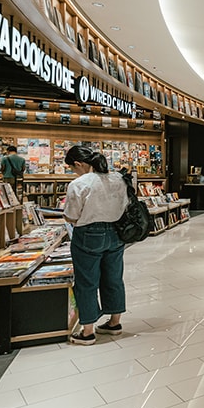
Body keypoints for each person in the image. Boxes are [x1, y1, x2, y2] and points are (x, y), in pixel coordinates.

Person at [62, 145, 129, 345]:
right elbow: (125, 204)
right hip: (116, 232)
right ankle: (114, 323)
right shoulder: (117, 178)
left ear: (78, 164)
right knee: (114, 278)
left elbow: (71, 215)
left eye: (72, 168)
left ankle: (88, 331)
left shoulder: (79, 183)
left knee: (86, 281)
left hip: (88, 234)